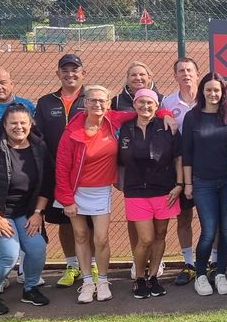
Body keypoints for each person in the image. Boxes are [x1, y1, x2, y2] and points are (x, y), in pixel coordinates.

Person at [56, 85, 173, 303]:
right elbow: (62, 166)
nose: (97, 104)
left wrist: (165, 113)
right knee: (81, 236)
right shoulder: (72, 131)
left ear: (109, 103)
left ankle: (102, 281)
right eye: (92, 100)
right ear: (85, 103)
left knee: (100, 239)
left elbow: (144, 110)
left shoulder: (114, 120)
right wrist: (66, 199)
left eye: (102, 101)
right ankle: (87, 282)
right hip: (75, 190)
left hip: (100, 190)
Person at [0, 104, 52, 315]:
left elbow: (47, 184)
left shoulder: (39, 147)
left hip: (25, 212)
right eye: (13, 123)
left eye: (23, 123)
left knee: (37, 247)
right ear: (4, 125)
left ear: (30, 124)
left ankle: (30, 288)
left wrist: (37, 213)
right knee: (8, 254)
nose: (19, 127)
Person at [118, 89, 183, 300]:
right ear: (135, 104)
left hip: (165, 189)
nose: (145, 107)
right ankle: (139, 277)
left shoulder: (167, 127)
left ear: (157, 106)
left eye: (150, 103)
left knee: (160, 235)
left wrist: (180, 184)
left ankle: (153, 277)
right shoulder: (126, 128)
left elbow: (178, 158)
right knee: (145, 238)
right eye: (141, 103)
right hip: (136, 190)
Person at [182, 73, 227, 296]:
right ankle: (200, 275)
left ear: (223, 91)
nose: (213, 94)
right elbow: (186, 153)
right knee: (208, 231)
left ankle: (221, 273)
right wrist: (188, 184)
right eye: (208, 89)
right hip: (203, 183)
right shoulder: (192, 117)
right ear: (202, 91)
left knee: (226, 230)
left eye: (217, 90)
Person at [32, 54, 88, 289]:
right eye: (65, 70)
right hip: (57, 174)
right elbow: (37, 137)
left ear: (82, 73)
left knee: (91, 222)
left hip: (87, 174)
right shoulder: (46, 102)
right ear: (58, 74)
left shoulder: (92, 98)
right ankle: (72, 265)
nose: (70, 74)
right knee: (66, 221)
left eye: (74, 70)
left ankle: (91, 265)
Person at [113, 61, 163, 281]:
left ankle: (155, 261)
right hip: (128, 166)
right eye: (133, 74)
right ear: (127, 77)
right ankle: (138, 259)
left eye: (142, 74)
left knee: (157, 224)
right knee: (136, 218)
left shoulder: (159, 99)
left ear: (150, 76)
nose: (138, 78)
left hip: (157, 169)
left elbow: (161, 114)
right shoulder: (116, 101)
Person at [161, 58, 201, 285]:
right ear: (175, 76)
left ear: (197, 74)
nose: (186, 74)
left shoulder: (207, 99)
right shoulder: (168, 102)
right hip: (178, 169)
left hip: (205, 167)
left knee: (209, 218)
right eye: (181, 71)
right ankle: (189, 262)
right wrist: (162, 114)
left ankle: (212, 261)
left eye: (189, 70)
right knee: (183, 217)